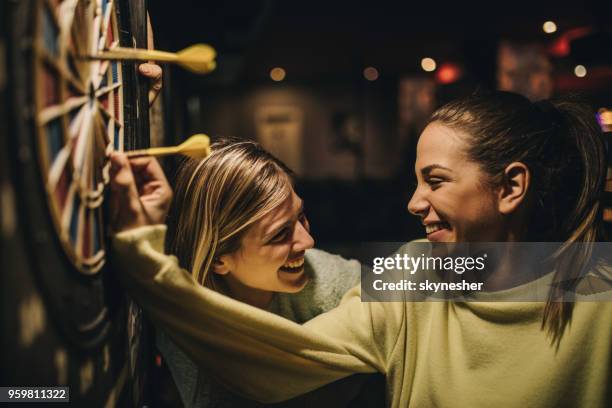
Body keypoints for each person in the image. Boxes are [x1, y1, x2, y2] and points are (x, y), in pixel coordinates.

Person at [111, 91, 611, 407]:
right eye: (418, 181)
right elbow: (285, 357)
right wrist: (145, 250)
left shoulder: (599, 297)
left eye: (435, 181)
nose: (415, 202)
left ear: (510, 188)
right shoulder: (416, 276)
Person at [111, 140, 375, 407]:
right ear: (218, 261)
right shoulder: (186, 327)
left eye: (301, 216)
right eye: (280, 234)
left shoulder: (337, 282)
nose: (307, 241)